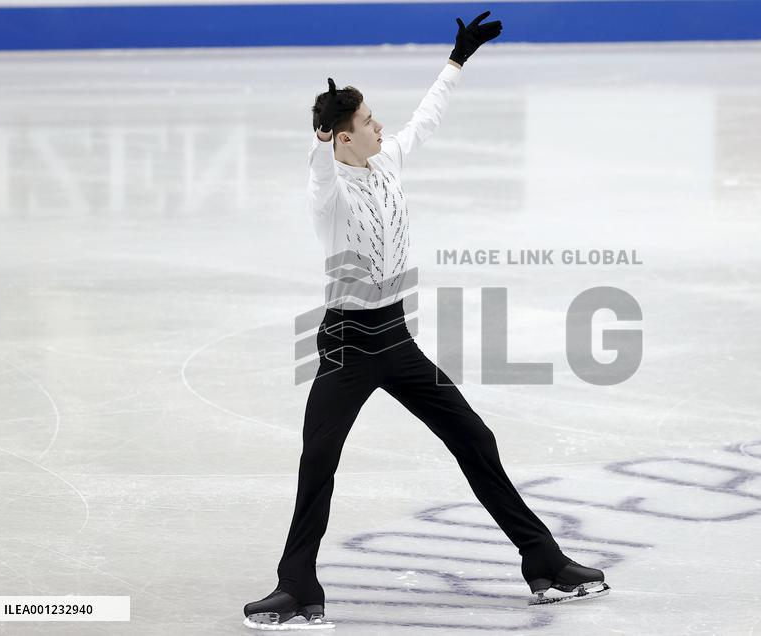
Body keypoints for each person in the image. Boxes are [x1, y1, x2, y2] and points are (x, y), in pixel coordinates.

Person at [243, 10, 608, 630]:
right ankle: (297, 584)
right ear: (340, 137)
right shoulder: (326, 190)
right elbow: (317, 158)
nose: (379, 125)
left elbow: (425, 121)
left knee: (475, 439)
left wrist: (457, 59)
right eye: (365, 121)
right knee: (319, 460)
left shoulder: (387, 162)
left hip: (396, 337)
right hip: (347, 343)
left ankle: (541, 559)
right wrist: (324, 123)